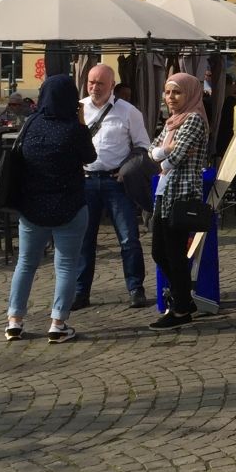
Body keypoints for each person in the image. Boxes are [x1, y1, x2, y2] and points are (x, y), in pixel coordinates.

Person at [4, 74, 95, 343]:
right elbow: (90, 157)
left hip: (32, 208)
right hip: (69, 206)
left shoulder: (31, 123)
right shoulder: (74, 129)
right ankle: (57, 323)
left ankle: (14, 320)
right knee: (66, 266)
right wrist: (81, 122)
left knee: (26, 263)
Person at [74, 64, 152, 311]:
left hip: (115, 182)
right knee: (84, 240)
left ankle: (135, 288)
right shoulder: (78, 108)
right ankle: (80, 292)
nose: (94, 88)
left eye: (100, 83)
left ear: (112, 85)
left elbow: (143, 146)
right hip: (85, 181)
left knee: (128, 238)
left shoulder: (129, 112)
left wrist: (128, 167)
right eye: (91, 82)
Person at [147, 73, 208, 331]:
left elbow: (173, 159)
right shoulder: (173, 121)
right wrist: (166, 152)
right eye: (168, 92)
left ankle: (181, 308)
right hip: (164, 191)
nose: (171, 98)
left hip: (181, 194)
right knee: (159, 251)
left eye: (177, 93)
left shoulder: (193, 118)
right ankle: (184, 299)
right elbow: (152, 151)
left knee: (173, 253)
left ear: (190, 94)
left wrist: (166, 153)